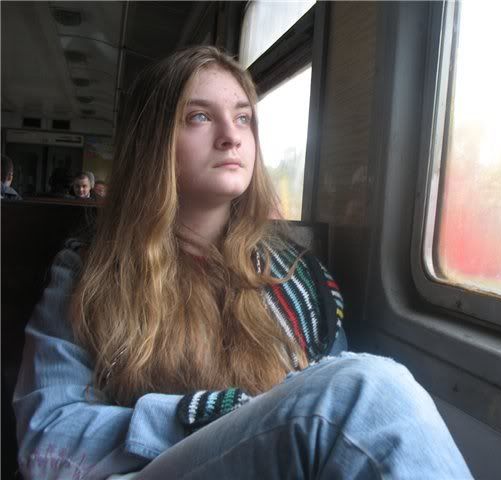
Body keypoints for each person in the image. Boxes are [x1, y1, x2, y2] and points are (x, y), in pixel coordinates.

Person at [13, 46, 473, 480]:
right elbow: (49, 438)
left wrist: (268, 421)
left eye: (243, 118)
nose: (231, 136)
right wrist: (208, 418)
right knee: (370, 393)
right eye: (198, 116)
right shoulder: (91, 272)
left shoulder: (301, 281)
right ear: (153, 142)